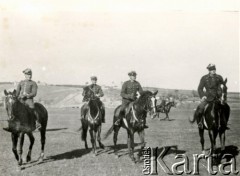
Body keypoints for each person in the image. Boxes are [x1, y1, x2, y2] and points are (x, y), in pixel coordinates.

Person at [195, 63, 229, 129]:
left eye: (214, 69)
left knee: (227, 108)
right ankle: (200, 123)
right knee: (200, 108)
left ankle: (224, 123)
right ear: (209, 70)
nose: (213, 70)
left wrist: (222, 96)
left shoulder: (219, 77)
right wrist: (202, 96)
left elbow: (222, 86)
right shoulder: (204, 78)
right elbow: (200, 88)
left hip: (217, 98)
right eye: (211, 69)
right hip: (208, 98)